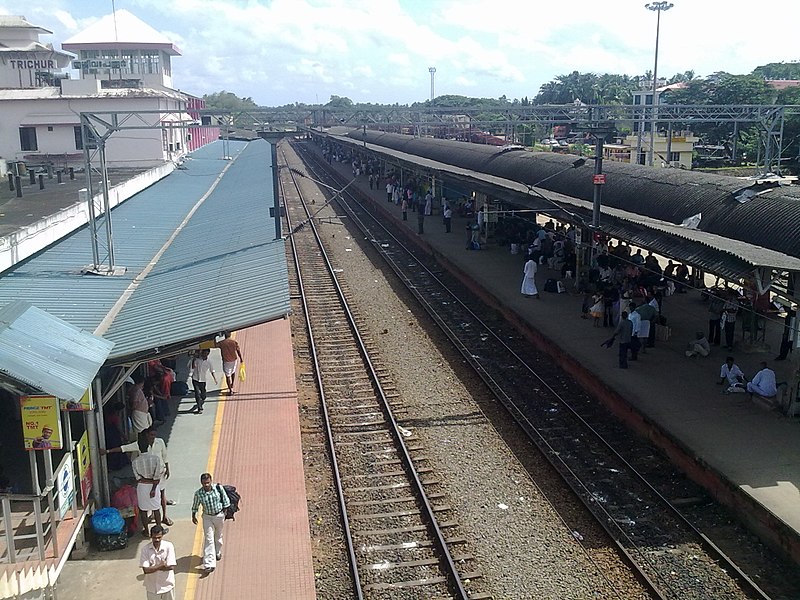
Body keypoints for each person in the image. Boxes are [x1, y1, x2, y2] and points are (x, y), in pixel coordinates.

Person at [103, 427, 174, 527]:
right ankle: (157, 520)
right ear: (147, 435)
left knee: (160, 496)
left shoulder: (160, 442)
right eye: (151, 435)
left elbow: (164, 456)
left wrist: (167, 468)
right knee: (156, 502)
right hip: (154, 478)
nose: (153, 437)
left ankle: (164, 517)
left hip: (158, 474)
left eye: (154, 435)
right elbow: (123, 448)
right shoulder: (140, 444)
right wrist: (107, 451)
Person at [191, 473, 231, 574]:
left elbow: (226, 501)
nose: (206, 485)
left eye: (208, 482)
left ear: (211, 481)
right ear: (201, 483)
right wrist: (193, 515)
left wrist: (224, 513)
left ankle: (217, 551)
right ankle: (209, 564)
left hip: (219, 515)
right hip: (207, 517)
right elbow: (195, 505)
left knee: (218, 535)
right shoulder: (198, 493)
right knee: (209, 539)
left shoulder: (218, 488)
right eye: (204, 483)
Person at [131, 437, 167, 536]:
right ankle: (159, 529)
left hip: (142, 487)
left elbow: (138, 478)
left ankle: (146, 531)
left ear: (139, 447)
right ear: (148, 447)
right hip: (154, 486)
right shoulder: (155, 459)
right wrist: (153, 487)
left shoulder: (135, 462)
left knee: (143, 510)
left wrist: (145, 480)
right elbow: (157, 476)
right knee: (156, 508)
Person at [140, 525, 176, 600]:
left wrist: (152, 567)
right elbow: (146, 570)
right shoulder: (145, 549)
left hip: (167, 586)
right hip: (152, 588)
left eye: (159, 537)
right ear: (151, 536)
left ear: (162, 535)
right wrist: (161, 565)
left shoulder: (169, 546)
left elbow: (171, 566)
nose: (157, 540)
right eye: (154, 537)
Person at [190, 349, 218, 414]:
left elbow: (212, 370)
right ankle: (199, 408)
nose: (205, 355)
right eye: (204, 353)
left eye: (207, 353)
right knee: (197, 393)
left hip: (203, 380)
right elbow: (193, 367)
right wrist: (194, 359)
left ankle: (203, 397)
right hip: (195, 379)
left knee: (203, 393)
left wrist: (215, 379)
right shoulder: (197, 360)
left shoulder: (209, 362)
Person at [128, 375, 153, 443]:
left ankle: (145, 441)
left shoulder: (138, 390)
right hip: (139, 413)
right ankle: (143, 442)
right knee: (142, 430)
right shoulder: (136, 390)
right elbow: (134, 402)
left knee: (145, 429)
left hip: (142, 413)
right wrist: (133, 408)